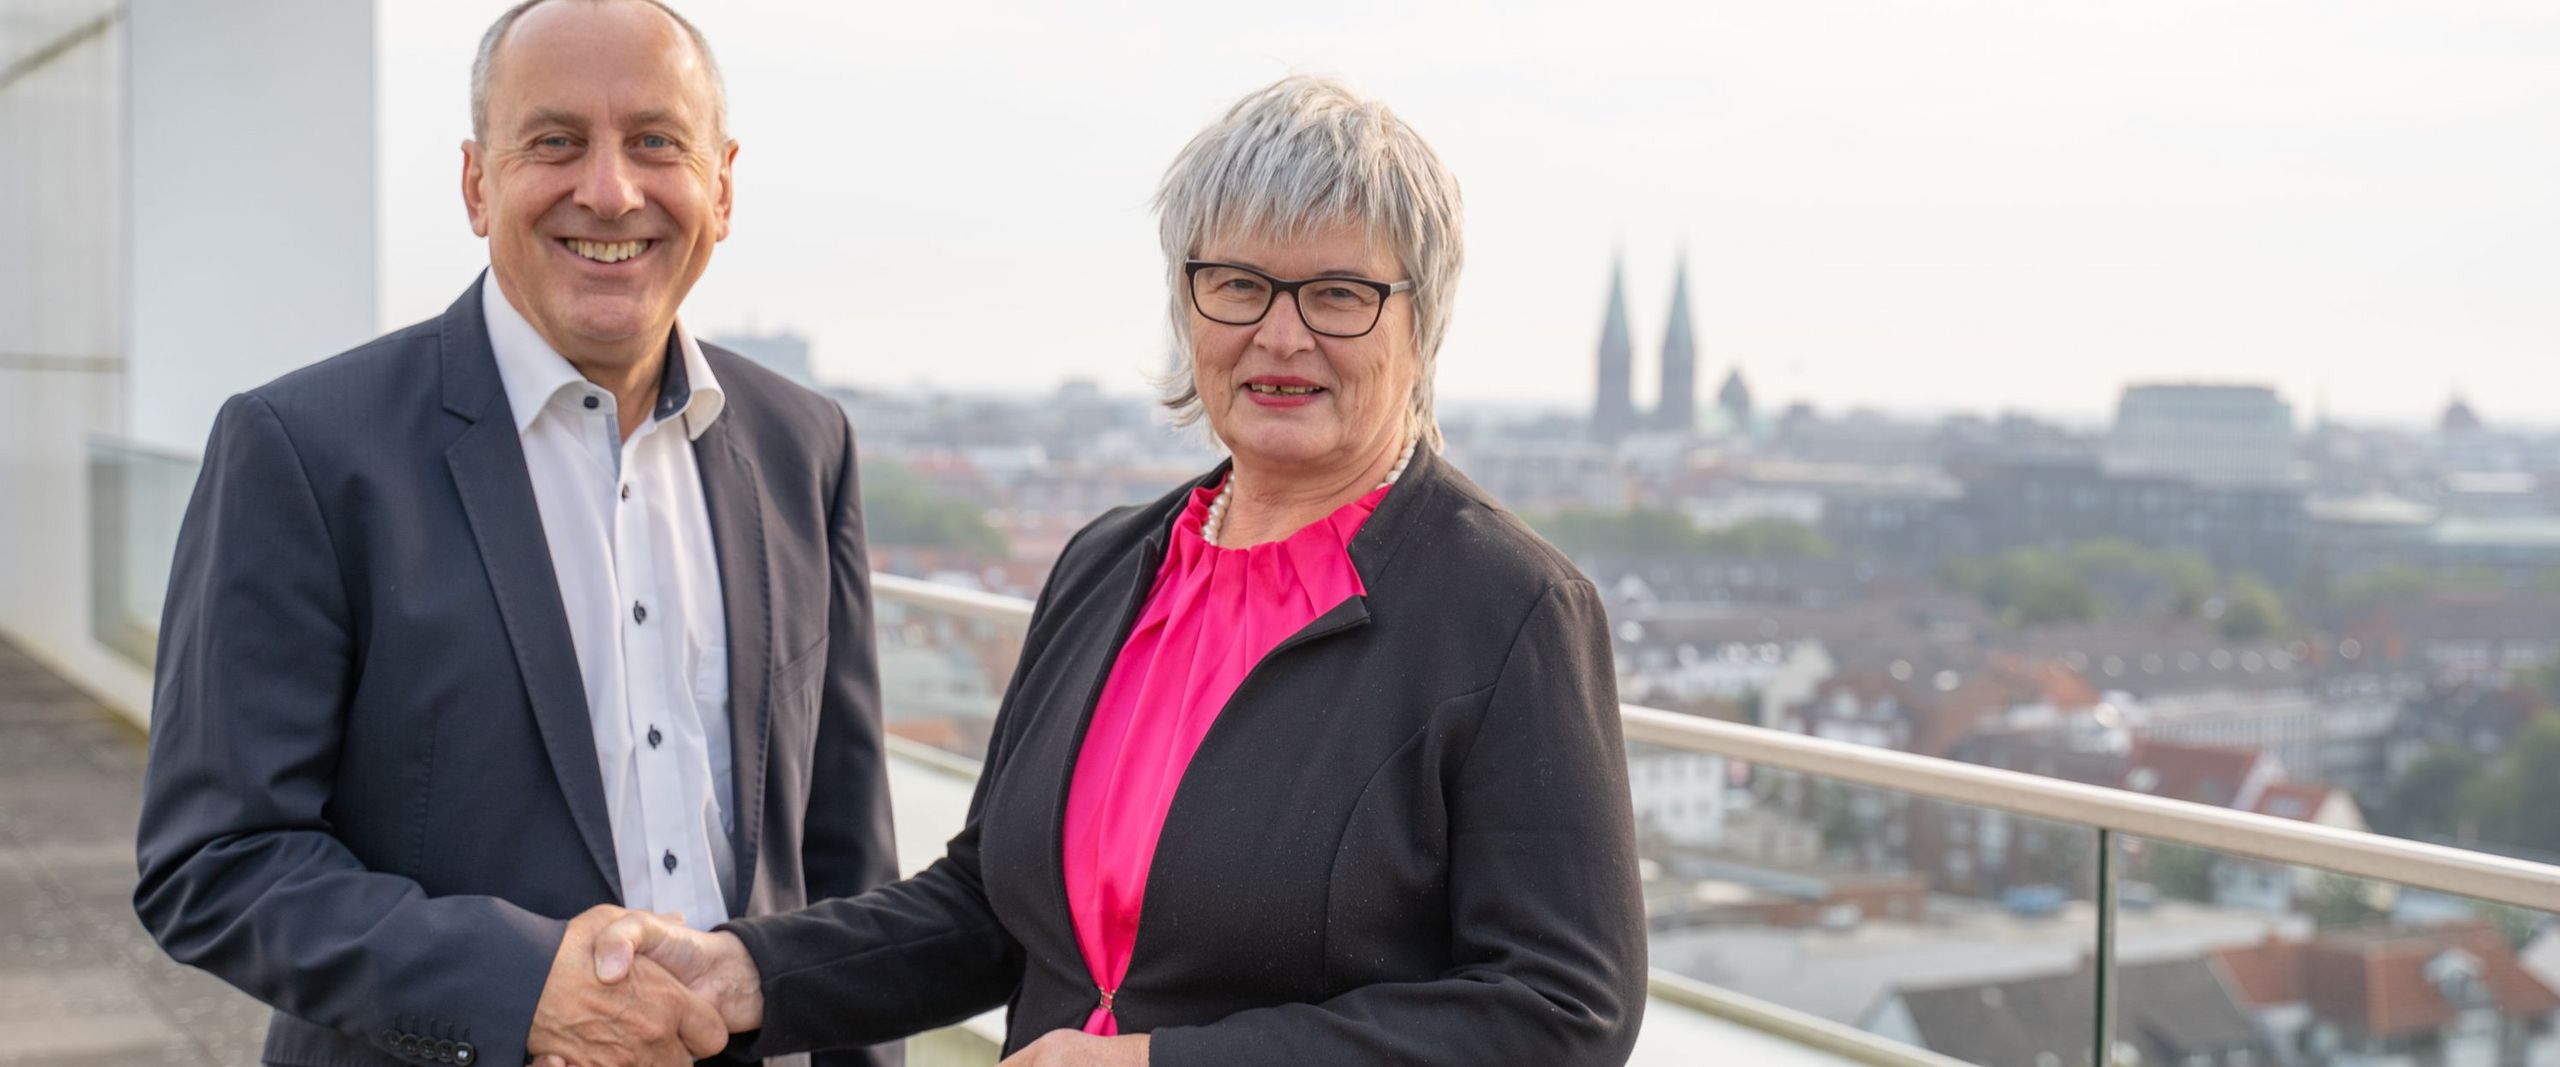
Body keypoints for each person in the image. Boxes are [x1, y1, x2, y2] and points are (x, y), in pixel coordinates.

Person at [573, 75, 1646, 1067]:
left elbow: (1561, 1006)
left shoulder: (1510, 610)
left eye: (1336, 294)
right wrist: (752, 968)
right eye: (1237, 284)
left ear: (1422, 321)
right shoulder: (1109, 564)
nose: (1279, 334)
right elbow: (993, 906)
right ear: (1187, 305)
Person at [130, 3, 899, 1065]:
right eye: (553, 142)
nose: (609, 189)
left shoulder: (803, 444)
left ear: (721, 184)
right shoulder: (303, 450)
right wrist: (519, 987)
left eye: (655, 142)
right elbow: (213, 860)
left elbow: (847, 865)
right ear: (475, 183)